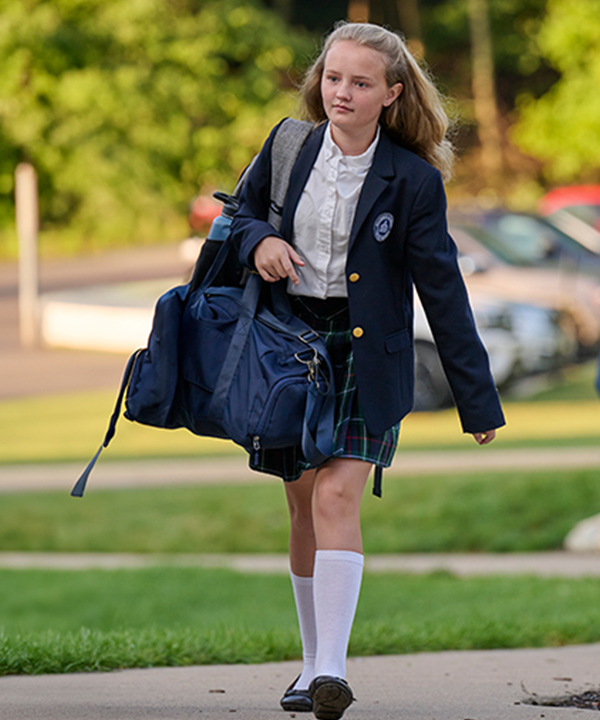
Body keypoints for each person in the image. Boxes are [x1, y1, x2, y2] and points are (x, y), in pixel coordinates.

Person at [230, 21, 505, 720]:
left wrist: (477, 402)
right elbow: (237, 214)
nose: (341, 92)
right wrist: (261, 238)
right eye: (332, 78)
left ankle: (331, 672)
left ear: (391, 93)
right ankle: (308, 663)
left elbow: (441, 289)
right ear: (318, 81)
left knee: (335, 500)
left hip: (364, 356)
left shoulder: (412, 180)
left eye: (359, 82)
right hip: (288, 346)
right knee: (300, 504)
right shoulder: (288, 145)